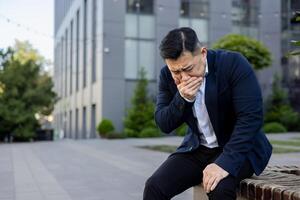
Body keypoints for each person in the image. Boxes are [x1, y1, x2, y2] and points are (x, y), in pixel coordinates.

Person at [143, 27, 272, 200]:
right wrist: (182, 99)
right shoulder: (167, 76)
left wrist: (224, 163)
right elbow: (164, 124)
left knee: (219, 188)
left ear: (202, 53)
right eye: (176, 71)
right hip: (198, 149)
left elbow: (251, 118)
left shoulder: (233, 63)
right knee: (154, 187)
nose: (183, 77)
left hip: (240, 147)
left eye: (188, 68)